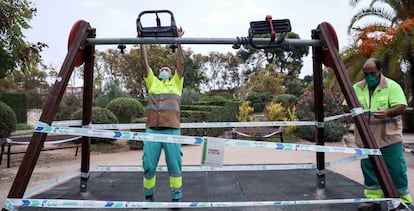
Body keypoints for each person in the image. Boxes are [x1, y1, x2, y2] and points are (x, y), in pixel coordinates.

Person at [349, 58, 412, 210]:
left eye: (372, 73)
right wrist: (355, 107)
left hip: (389, 137)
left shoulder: (392, 86)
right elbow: (346, 106)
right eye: (366, 74)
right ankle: (372, 200)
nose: (369, 76)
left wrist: (388, 113)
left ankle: (402, 201)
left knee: (396, 169)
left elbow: (401, 106)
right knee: (369, 169)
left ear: (380, 71)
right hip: (366, 138)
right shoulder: (357, 88)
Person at [139, 27, 185, 203]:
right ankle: (148, 196)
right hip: (153, 131)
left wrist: (179, 40)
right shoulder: (153, 84)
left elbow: (181, 64)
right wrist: (141, 42)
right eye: (162, 69)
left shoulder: (176, 84)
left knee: (174, 165)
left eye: (167, 68)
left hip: (172, 131)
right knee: (149, 166)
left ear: (172, 74)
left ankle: (176, 197)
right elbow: (144, 64)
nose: (164, 70)